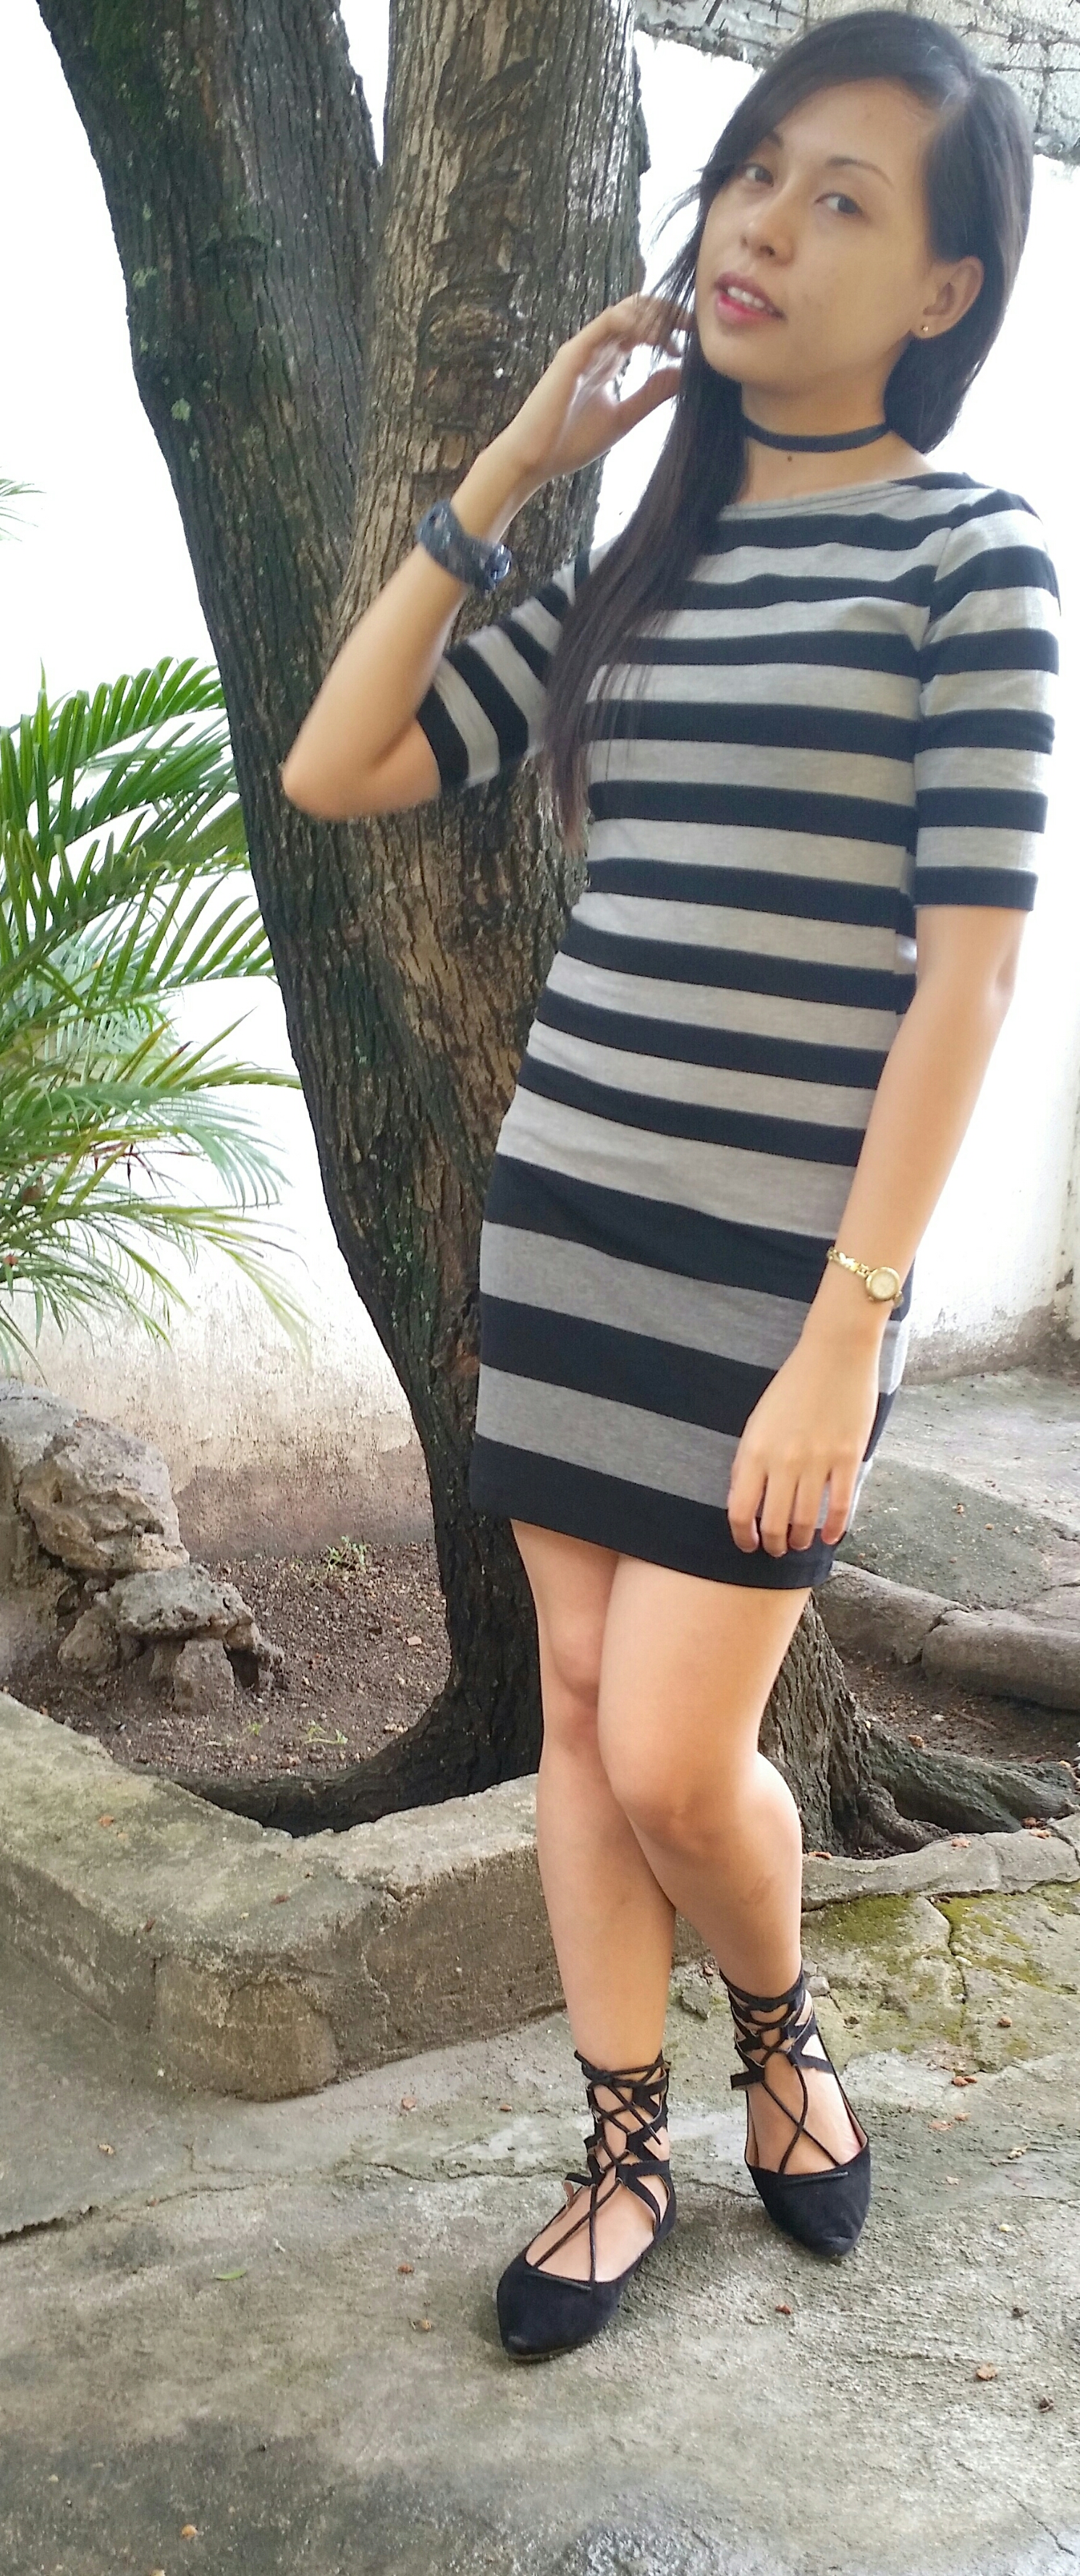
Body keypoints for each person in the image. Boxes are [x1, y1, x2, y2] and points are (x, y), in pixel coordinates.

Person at [279, 7, 1060, 2359]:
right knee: (577, 1706)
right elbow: (340, 763)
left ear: (942, 289)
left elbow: (968, 983)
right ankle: (623, 2148)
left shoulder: (975, 562)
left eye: (846, 199)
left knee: (669, 1750)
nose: (768, 226)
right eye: (756, 171)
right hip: (576, 1217)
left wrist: (851, 1325)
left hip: (785, 1272)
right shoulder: (651, 565)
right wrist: (514, 467)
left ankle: (782, 2031)